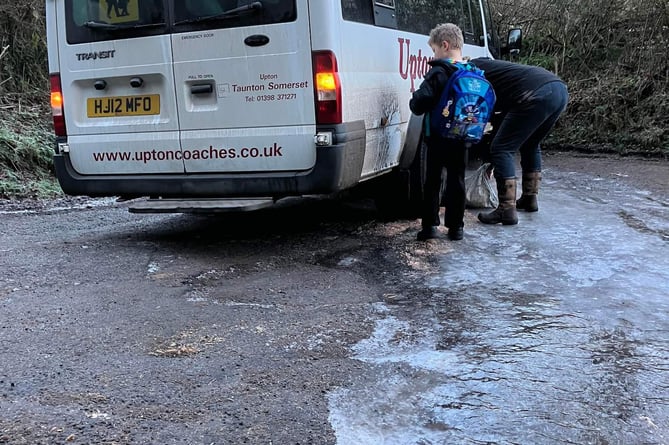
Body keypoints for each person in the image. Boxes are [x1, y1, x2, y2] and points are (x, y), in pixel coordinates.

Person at [472, 57, 569, 225]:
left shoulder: (471, 72)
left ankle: (506, 210)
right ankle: (530, 198)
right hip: (558, 90)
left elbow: (487, 112)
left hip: (536, 93)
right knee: (531, 144)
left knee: (502, 148)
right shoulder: (494, 68)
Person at [409, 23, 469, 241]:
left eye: (434, 50)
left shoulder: (439, 71)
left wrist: (414, 98)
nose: (433, 54)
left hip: (438, 137)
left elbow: (419, 103)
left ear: (444, 46)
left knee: (433, 180)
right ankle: (456, 228)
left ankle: (430, 226)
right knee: (457, 179)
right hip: (462, 135)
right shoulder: (468, 70)